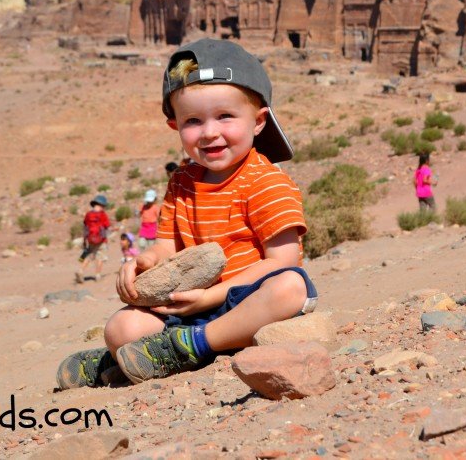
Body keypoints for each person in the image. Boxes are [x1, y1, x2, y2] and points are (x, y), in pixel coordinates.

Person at [56, 38, 316, 389]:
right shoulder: (182, 180)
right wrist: (144, 262)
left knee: (291, 287)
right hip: (188, 307)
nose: (210, 132)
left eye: (225, 116)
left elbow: (283, 261)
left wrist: (212, 297)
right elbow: (167, 245)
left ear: (258, 122)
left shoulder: (266, 182)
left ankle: (174, 351)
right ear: (174, 126)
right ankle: (151, 354)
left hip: (243, 300)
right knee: (120, 328)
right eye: (193, 120)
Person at [76, 194, 111, 283]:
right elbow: (107, 225)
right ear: (102, 205)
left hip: (90, 238)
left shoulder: (88, 214)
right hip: (101, 240)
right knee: (100, 256)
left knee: (88, 256)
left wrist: (85, 239)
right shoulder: (102, 214)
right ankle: (98, 275)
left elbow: (85, 225)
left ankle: (81, 270)